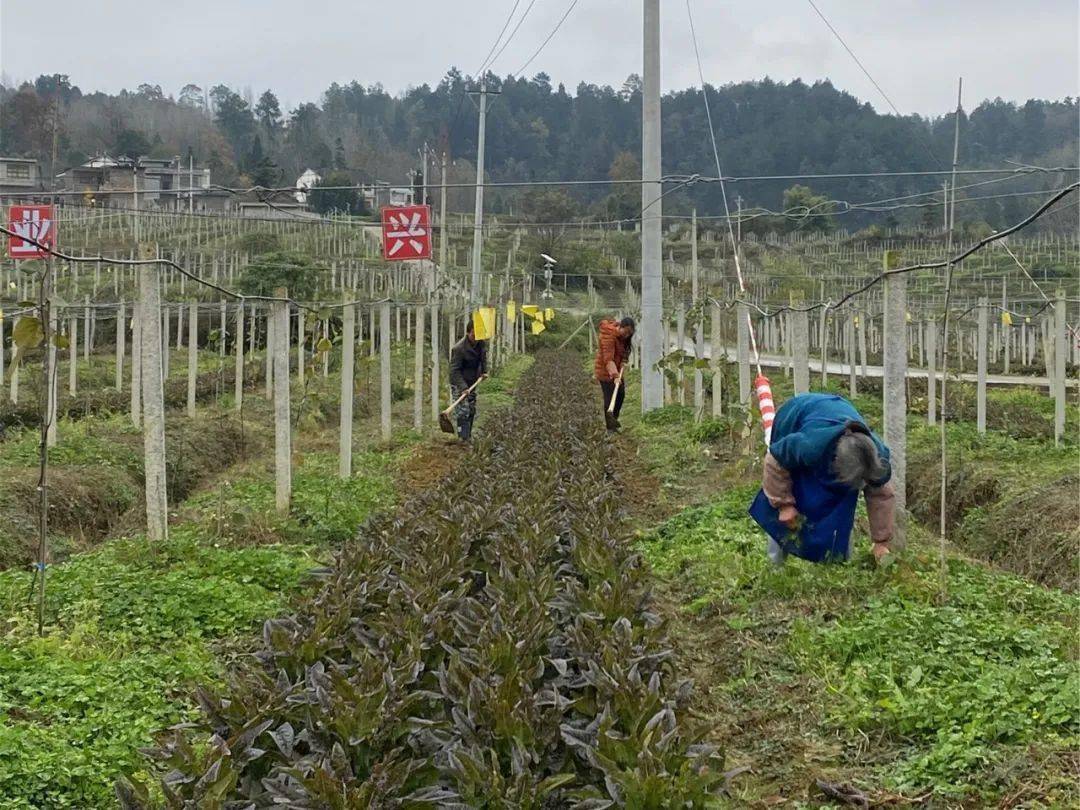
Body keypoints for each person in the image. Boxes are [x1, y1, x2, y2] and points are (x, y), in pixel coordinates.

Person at [749, 392, 896, 565]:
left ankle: (839, 562)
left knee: (842, 506)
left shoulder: (877, 458)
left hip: (836, 413)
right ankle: (776, 564)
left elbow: (881, 495)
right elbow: (774, 461)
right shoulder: (809, 446)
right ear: (836, 463)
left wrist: (881, 541)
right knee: (794, 500)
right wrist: (784, 505)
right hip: (796, 416)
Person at [593, 316, 635, 431]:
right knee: (610, 398)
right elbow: (608, 360)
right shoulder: (608, 336)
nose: (626, 336)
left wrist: (623, 361)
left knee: (620, 395)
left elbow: (624, 352)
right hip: (605, 371)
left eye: (629, 334)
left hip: (616, 369)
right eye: (625, 332)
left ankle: (614, 421)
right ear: (620, 327)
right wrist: (615, 376)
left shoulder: (623, 337)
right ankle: (610, 428)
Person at [449, 319, 487, 441]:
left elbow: (483, 358)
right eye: (473, 335)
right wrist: (463, 387)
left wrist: (484, 372)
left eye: (478, 335)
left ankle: (468, 436)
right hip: (459, 382)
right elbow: (454, 371)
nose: (475, 338)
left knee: (471, 409)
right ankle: (463, 438)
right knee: (462, 411)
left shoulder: (481, 343)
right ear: (468, 333)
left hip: (472, 382)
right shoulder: (459, 349)